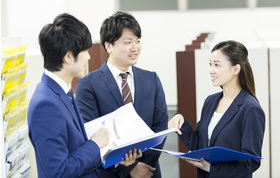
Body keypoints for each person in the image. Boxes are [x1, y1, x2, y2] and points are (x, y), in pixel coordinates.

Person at [28, 13, 141, 178]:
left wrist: (111, 156)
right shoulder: (45, 105)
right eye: (85, 51)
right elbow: (59, 171)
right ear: (68, 57)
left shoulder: (62, 91)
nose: (88, 57)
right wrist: (96, 145)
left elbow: (76, 149)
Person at [75, 11, 168, 178]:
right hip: (111, 173)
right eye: (128, 42)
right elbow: (90, 133)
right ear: (108, 45)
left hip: (149, 171)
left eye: (138, 41)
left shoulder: (151, 79)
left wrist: (144, 165)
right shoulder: (88, 84)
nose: (135, 47)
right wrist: (130, 168)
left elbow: (160, 126)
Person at [168, 40, 265, 178]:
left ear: (235, 69)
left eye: (217, 65)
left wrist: (212, 169)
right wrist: (181, 122)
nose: (211, 70)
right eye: (210, 64)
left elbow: (251, 162)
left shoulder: (250, 109)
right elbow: (199, 145)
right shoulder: (210, 101)